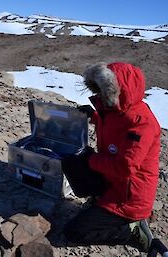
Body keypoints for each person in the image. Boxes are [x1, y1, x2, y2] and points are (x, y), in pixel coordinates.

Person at [62, 62, 161, 252]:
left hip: (129, 199)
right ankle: (99, 198)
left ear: (118, 90)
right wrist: (95, 117)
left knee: (73, 232)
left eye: (102, 90)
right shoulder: (114, 111)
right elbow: (114, 128)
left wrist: (90, 159)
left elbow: (125, 168)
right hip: (113, 182)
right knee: (70, 162)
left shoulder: (142, 124)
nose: (99, 94)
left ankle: (131, 231)